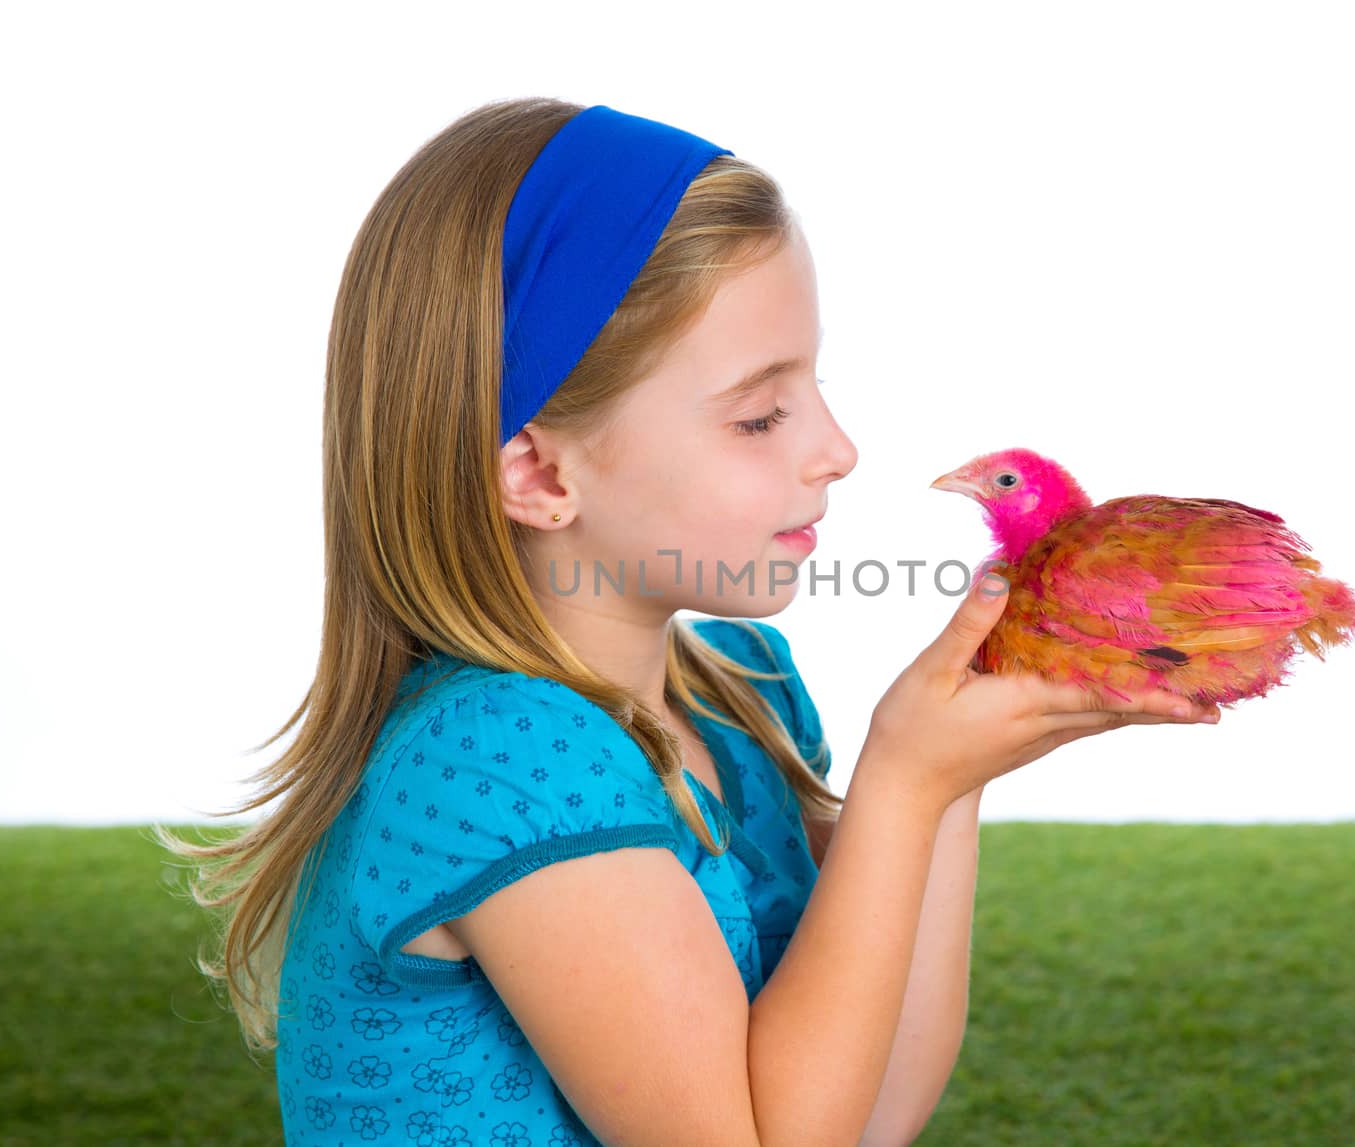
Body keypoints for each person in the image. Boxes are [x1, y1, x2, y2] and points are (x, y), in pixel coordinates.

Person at [161, 97, 1218, 1147]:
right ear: (537, 472)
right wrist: (903, 779)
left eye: (814, 387)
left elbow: (869, 1113)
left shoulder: (735, 698)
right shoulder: (493, 757)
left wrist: (949, 782)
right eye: (759, 414)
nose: (837, 448)